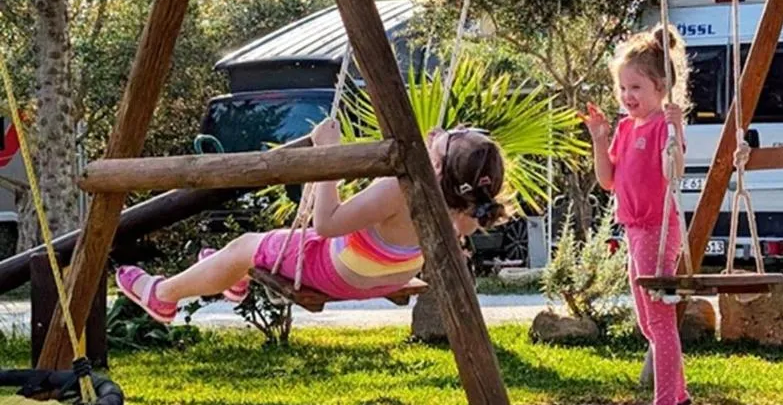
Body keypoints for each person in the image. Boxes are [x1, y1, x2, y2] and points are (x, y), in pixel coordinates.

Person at [116, 121, 506, 322]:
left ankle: (162, 295)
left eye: (436, 145)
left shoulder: (400, 188)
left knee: (247, 245)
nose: (431, 139)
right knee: (268, 245)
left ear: (436, 165)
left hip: (339, 272)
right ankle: (230, 276)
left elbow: (327, 224)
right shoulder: (467, 204)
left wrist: (328, 157)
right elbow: (462, 232)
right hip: (389, 275)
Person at [582, 24, 694, 405]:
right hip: (634, 229)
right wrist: (599, 138)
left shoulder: (663, 125)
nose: (627, 96)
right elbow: (607, 181)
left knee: (660, 321)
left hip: (658, 228)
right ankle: (679, 399)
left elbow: (676, 168)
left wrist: (677, 129)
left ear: (660, 88)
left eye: (636, 87)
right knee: (649, 323)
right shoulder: (627, 128)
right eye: (622, 87)